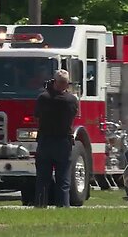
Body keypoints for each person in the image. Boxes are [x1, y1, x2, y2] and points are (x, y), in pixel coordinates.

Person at [33, 69, 78, 208]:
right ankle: (63, 206)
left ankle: (41, 205)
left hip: (45, 141)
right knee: (63, 179)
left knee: (43, 179)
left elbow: (36, 115)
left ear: (54, 82)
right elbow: (74, 114)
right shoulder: (71, 100)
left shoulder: (43, 98)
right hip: (63, 142)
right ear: (66, 84)